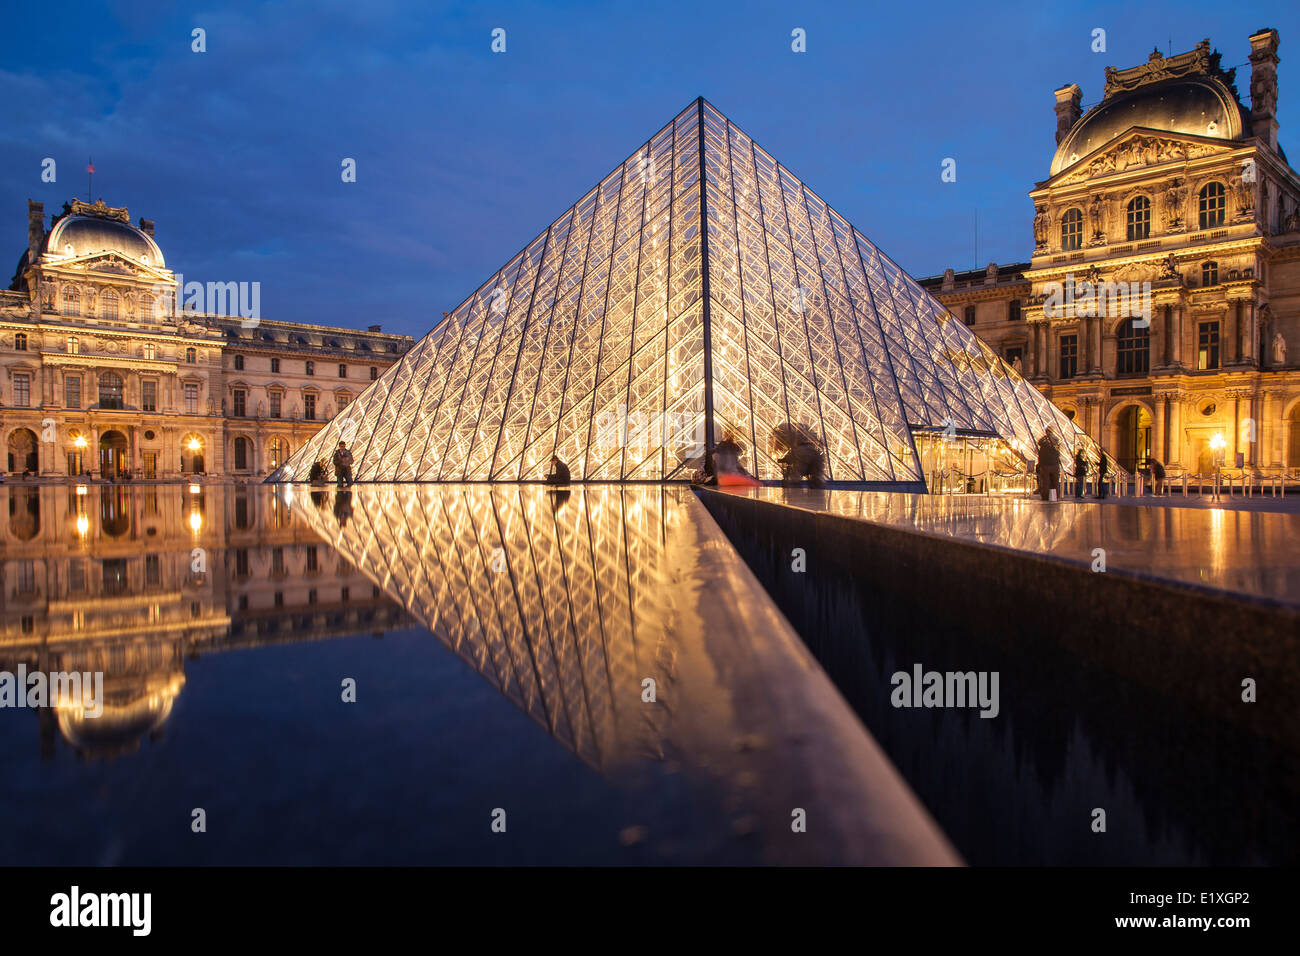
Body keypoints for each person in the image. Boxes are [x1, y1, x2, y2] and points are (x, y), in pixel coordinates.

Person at [1035, 428, 1061, 501]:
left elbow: (1039, 444)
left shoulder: (1044, 443)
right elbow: (1058, 453)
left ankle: (1045, 496)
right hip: (1055, 464)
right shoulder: (1056, 441)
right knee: (1055, 482)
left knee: (1046, 482)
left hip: (1046, 465)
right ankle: (1055, 496)